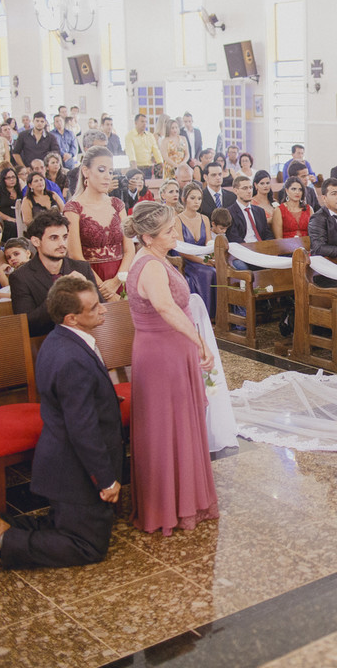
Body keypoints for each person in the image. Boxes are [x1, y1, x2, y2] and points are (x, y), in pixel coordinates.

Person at [0, 275, 122, 583]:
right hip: (75, 470)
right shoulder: (72, 358)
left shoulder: (58, 338)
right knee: (89, 545)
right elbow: (82, 429)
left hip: (61, 464)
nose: (104, 310)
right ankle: (2, 541)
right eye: (95, 307)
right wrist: (106, 478)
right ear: (71, 317)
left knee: (64, 527)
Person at [125, 201, 220, 535]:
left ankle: (182, 499)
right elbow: (165, 307)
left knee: (177, 423)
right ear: (148, 237)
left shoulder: (155, 258)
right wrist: (199, 341)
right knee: (168, 426)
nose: (175, 234)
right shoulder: (150, 265)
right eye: (168, 231)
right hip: (162, 354)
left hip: (167, 349)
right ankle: (168, 506)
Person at [10, 209, 103, 337]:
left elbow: (101, 310)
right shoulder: (21, 277)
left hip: (88, 337)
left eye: (64, 237)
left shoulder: (82, 268)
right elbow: (27, 325)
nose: (62, 244)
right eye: (54, 238)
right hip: (46, 343)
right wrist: (60, 294)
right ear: (36, 241)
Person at [65, 146, 134, 298]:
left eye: (110, 171)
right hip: (89, 280)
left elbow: (129, 249)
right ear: (85, 171)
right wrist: (104, 289)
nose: (108, 176)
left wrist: (117, 282)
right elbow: (75, 255)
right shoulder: (73, 208)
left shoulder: (117, 204)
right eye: (101, 170)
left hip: (120, 276)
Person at [176, 184, 218, 312]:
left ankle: (218, 314)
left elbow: (209, 243)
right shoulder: (177, 220)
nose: (196, 202)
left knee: (219, 270)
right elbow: (181, 250)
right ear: (184, 199)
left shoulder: (204, 218)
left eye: (199, 199)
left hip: (204, 257)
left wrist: (211, 258)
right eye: (193, 198)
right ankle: (205, 314)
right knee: (209, 272)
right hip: (187, 261)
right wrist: (203, 261)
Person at [225, 175, 274, 247]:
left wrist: (266, 246)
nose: (249, 191)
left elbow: (267, 234)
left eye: (250, 187)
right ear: (236, 191)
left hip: (262, 248)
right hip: (244, 250)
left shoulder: (260, 211)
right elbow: (234, 238)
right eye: (245, 188)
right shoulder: (229, 213)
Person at [125, 114, 163, 178]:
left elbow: (156, 151)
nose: (144, 124)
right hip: (136, 168)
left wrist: (161, 164)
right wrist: (134, 169)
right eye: (142, 121)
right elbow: (130, 153)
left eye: (146, 122)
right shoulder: (129, 136)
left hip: (148, 168)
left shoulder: (150, 136)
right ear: (136, 123)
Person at [0, 167, 20, 242]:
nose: (12, 179)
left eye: (13, 177)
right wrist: (8, 218)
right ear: (3, 179)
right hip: (4, 220)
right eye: (8, 178)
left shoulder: (19, 191)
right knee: (13, 226)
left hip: (18, 219)